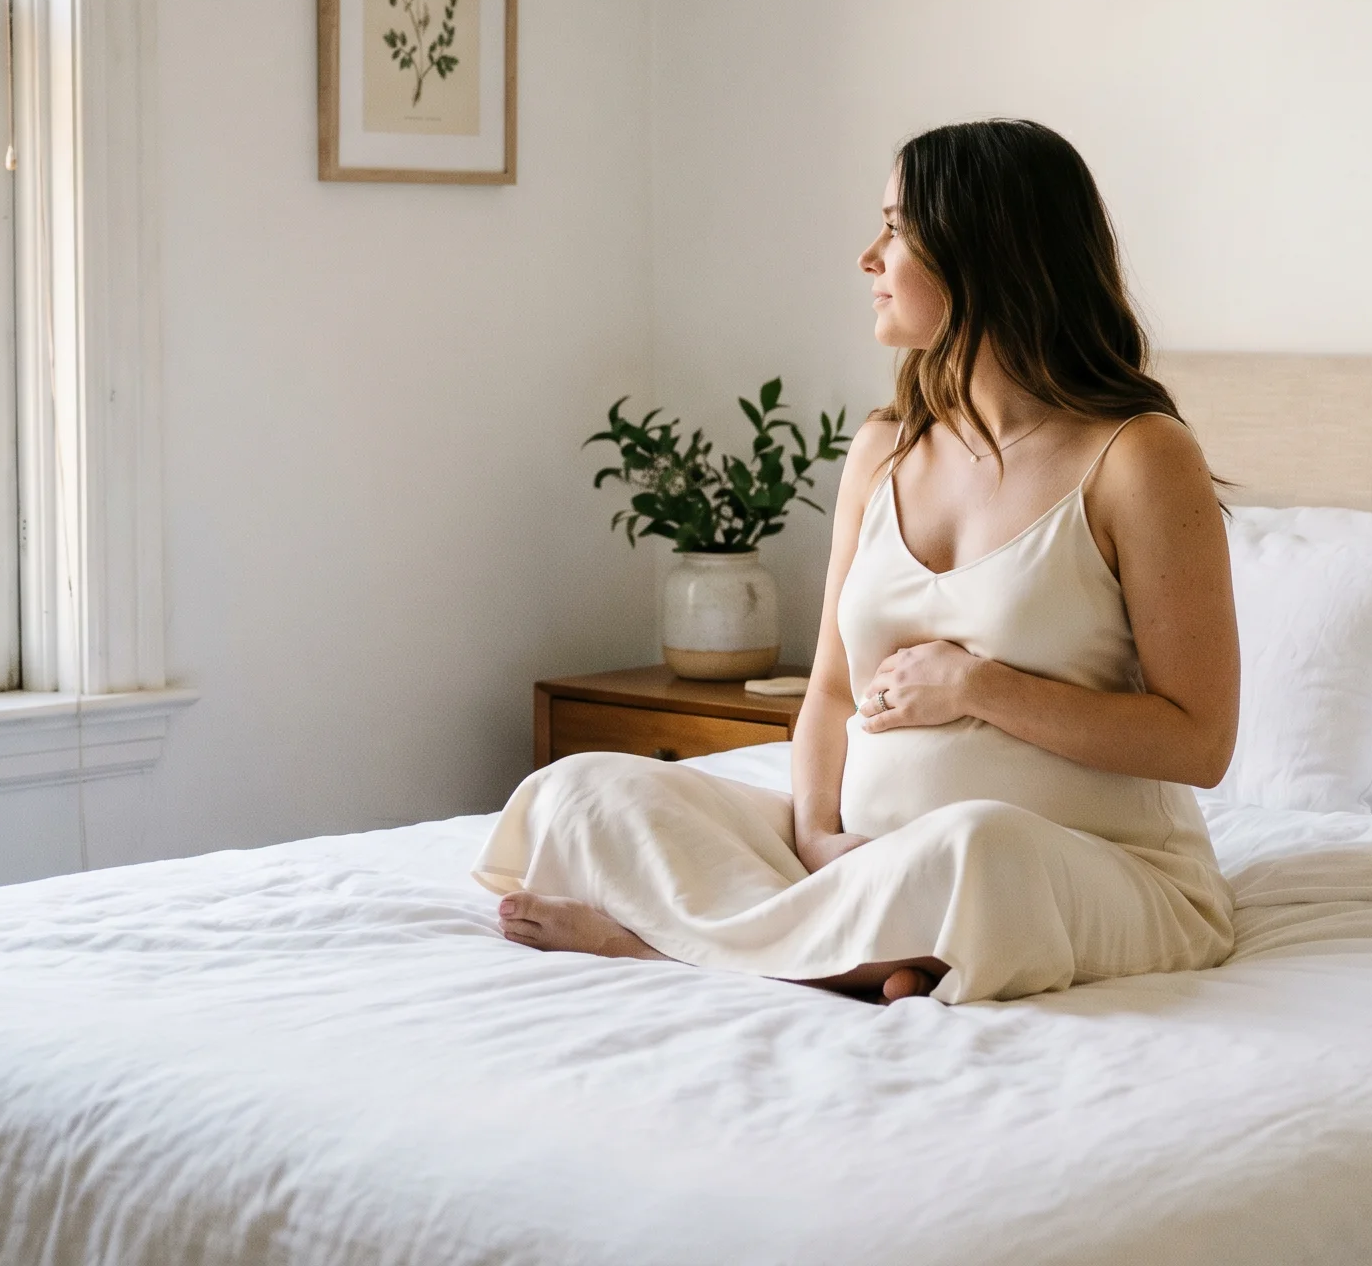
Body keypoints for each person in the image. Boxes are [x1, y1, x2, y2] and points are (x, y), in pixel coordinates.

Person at [474, 119, 1238, 1004]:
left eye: (898, 227)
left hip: (1088, 868)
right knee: (582, 789)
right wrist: (814, 839)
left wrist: (978, 688)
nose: (869, 256)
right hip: (865, 859)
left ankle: (663, 947)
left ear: (983, 251)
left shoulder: (1138, 456)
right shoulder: (884, 450)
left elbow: (1201, 741)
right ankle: (855, 944)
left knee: (976, 848)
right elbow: (832, 690)